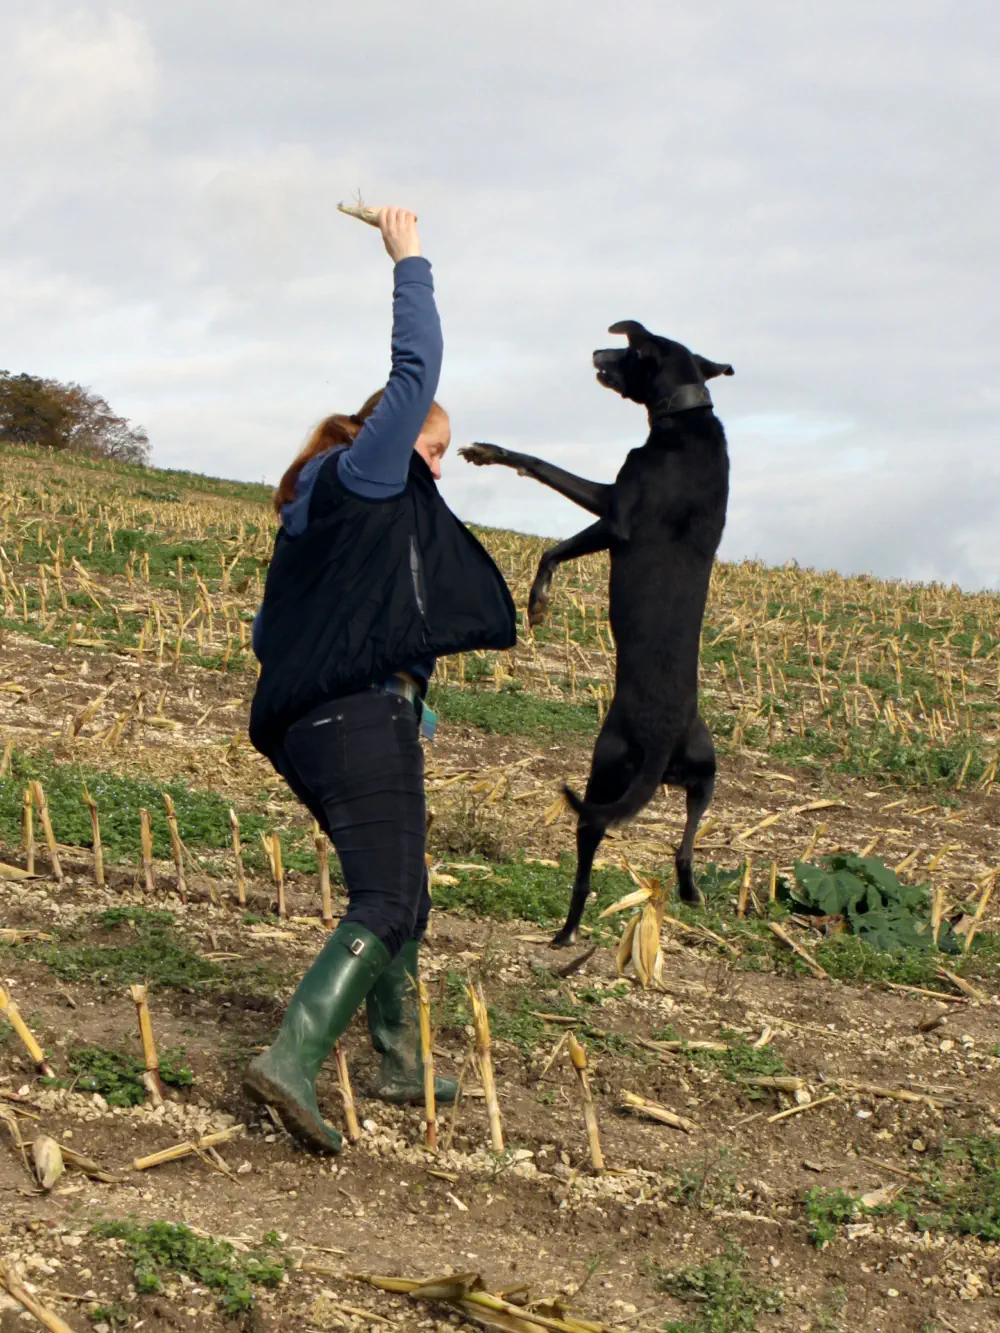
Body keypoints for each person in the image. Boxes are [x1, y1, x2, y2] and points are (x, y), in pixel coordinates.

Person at [246, 207, 517, 1153]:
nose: (438, 468)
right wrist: (410, 258)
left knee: (404, 892)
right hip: (354, 720)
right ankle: (291, 1058)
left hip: (314, 722)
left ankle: (399, 1062)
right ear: (393, 437)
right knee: (389, 898)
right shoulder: (366, 473)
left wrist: (409, 702)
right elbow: (417, 369)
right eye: (435, 450)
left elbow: (271, 634)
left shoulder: (319, 516)